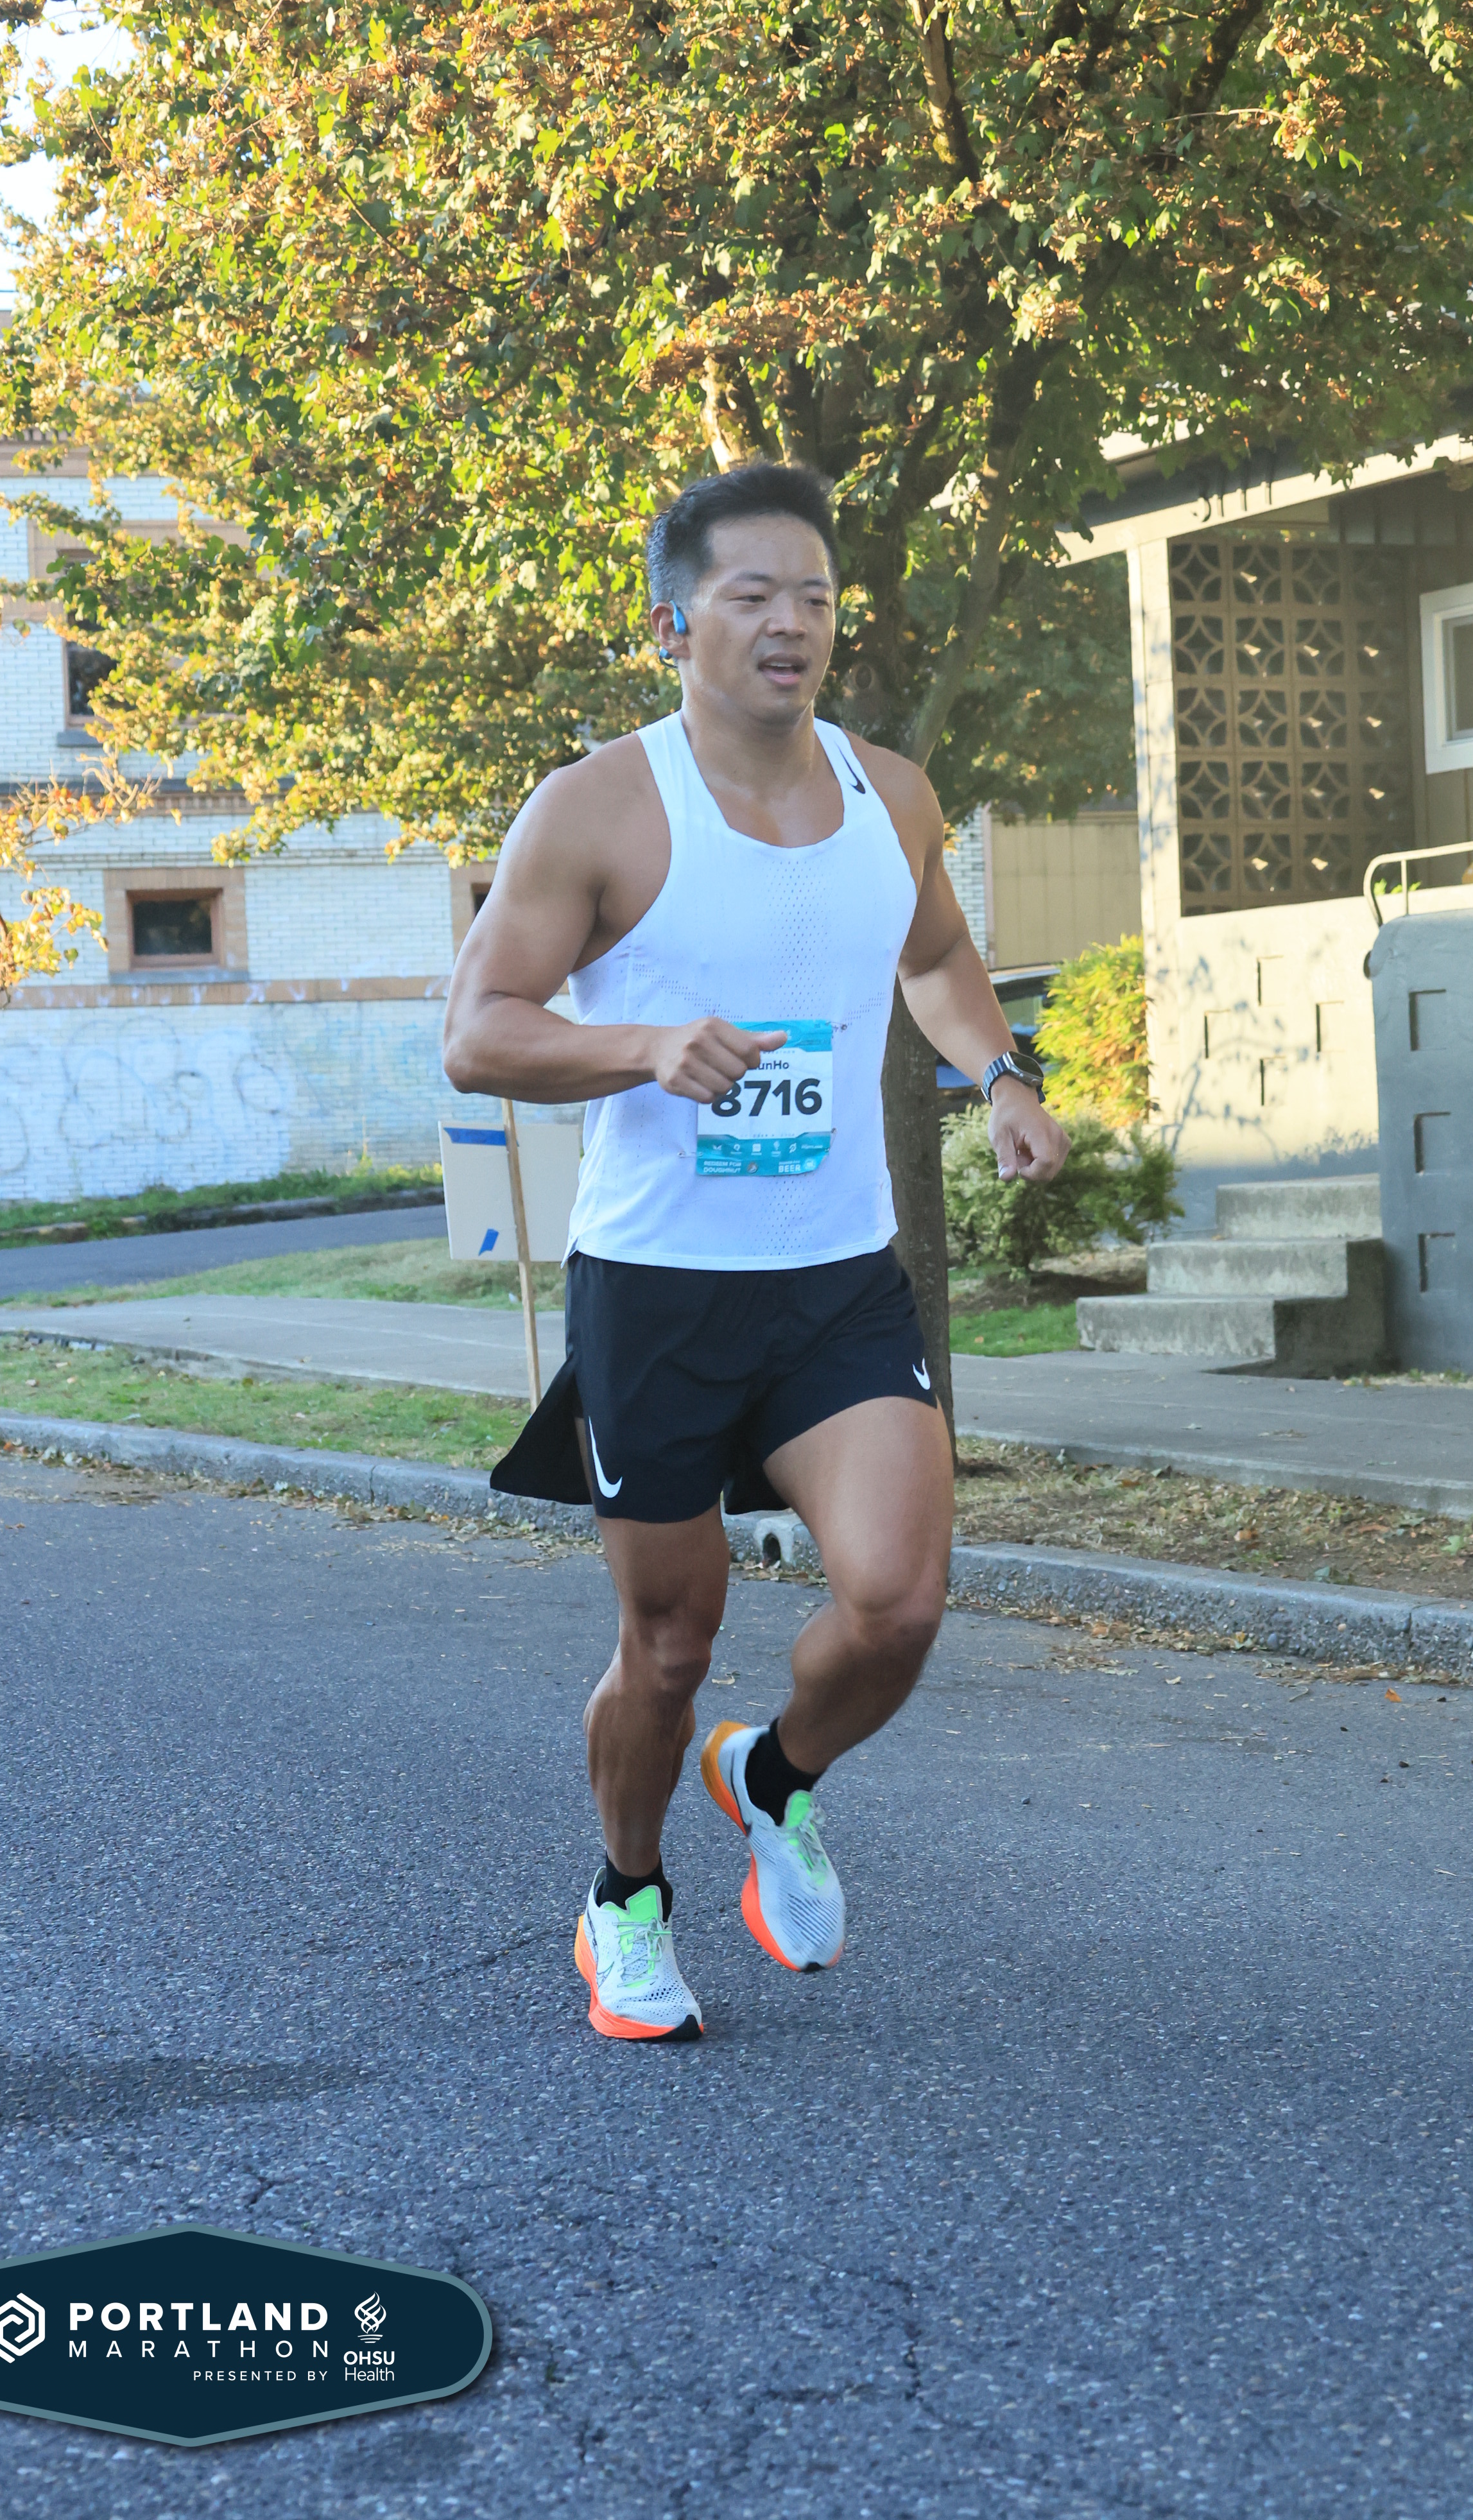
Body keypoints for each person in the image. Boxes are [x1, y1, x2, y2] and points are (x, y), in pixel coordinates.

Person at [442, 462, 1069, 2041]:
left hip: (835, 1281)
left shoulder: (890, 795)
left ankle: (773, 1774)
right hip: (657, 1292)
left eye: (815, 599)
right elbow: (479, 1032)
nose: (792, 624)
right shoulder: (596, 807)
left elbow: (935, 956)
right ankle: (625, 1896)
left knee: (898, 1604)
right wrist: (643, 1047)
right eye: (753, 596)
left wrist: (997, 1075)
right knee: (667, 1647)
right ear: (673, 624)